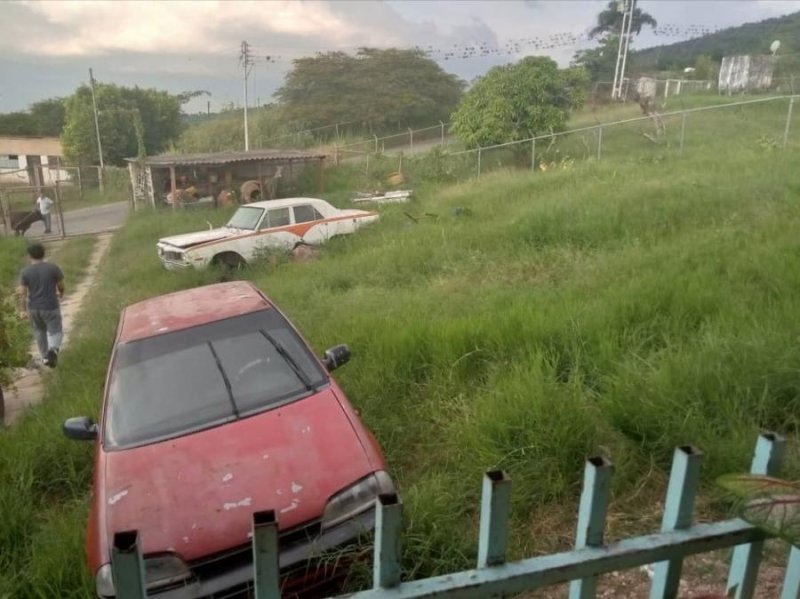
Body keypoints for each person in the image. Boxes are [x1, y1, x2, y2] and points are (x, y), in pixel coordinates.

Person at [17, 243, 64, 368]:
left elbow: (22, 293)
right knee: (55, 330)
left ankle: (44, 357)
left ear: (29, 256)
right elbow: (60, 285)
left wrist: (22, 310)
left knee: (39, 332)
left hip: (34, 308)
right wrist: (61, 293)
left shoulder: (25, 271)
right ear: (44, 253)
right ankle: (53, 350)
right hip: (50, 306)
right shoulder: (53, 268)